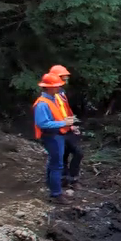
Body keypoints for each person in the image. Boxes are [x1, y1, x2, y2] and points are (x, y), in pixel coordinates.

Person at [31, 73, 77, 204]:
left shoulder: (53, 99)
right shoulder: (42, 104)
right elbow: (42, 123)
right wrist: (63, 123)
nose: (59, 88)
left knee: (54, 163)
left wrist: (66, 123)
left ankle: (53, 188)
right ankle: (56, 194)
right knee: (57, 165)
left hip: (56, 135)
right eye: (56, 86)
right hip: (51, 136)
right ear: (48, 87)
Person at [47, 64, 82, 195]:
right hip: (57, 131)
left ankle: (72, 178)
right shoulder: (50, 96)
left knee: (78, 153)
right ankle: (64, 179)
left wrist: (71, 125)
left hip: (66, 128)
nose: (66, 80)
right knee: (63, 156)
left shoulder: (61, 93)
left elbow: (65, 110)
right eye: (64, 77)